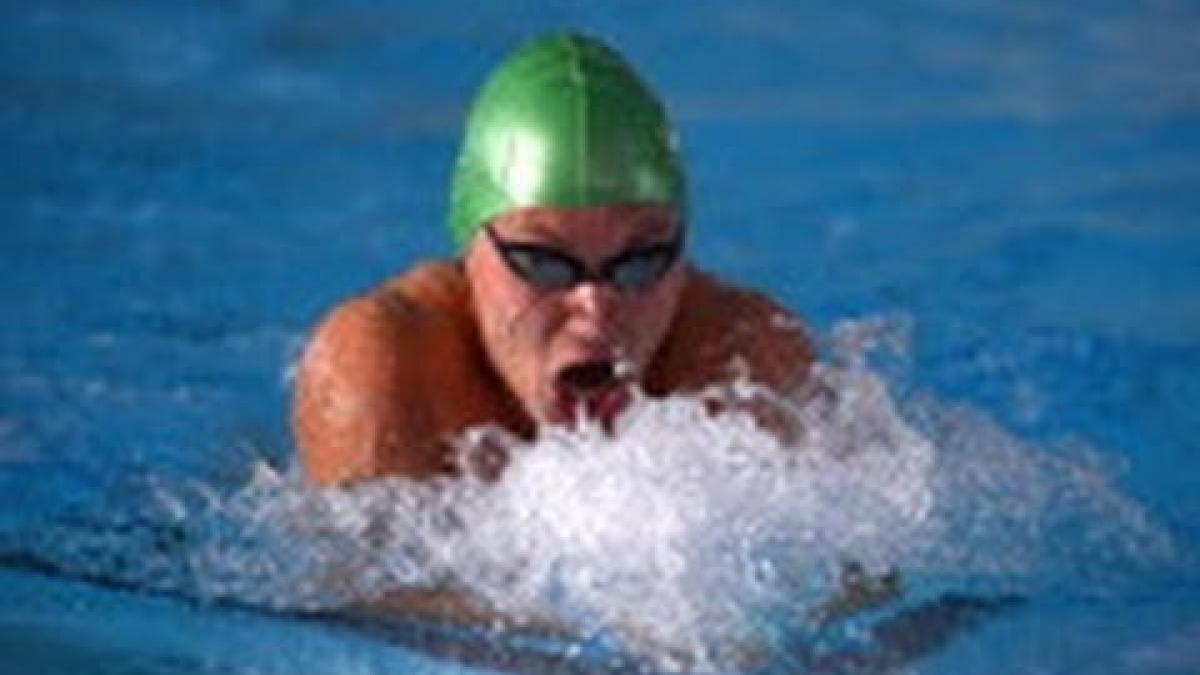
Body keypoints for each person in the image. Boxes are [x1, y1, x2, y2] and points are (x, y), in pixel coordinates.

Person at [292, 32, 814, 487]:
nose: (596, 307)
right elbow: (369, 597)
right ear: (470, 247)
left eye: (641, 261)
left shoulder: (747, 359)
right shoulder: (379, 372)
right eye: (544, 262)